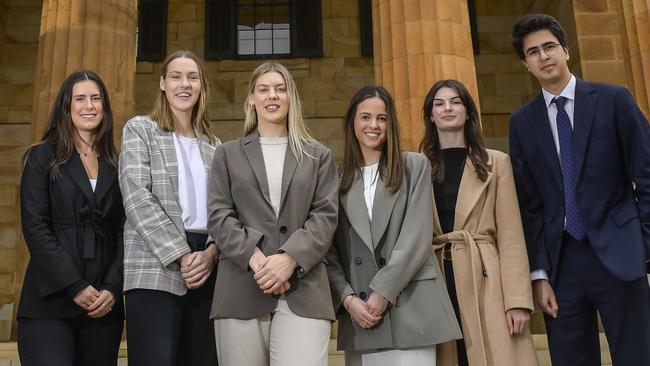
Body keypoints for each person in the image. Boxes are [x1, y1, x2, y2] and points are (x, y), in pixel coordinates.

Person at [509, 14, 650, 366]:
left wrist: (643, 244)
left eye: (549, 47)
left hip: (621, 255)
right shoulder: (522, 122)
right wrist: (538, 274)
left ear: (566, 50)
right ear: (526, 64)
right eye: (533, 52)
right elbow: (529, 205)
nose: (543, 56)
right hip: (561, 267)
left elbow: (646, 175)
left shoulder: (614, 100)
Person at [207, 62, 338, 366]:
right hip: (240, 287)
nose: (272, 96)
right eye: (263, 89)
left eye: (280, 89)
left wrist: (289, 259)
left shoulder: (318, 155)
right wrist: (257, 261)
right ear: (251, 98)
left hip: (304, 290)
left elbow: (325, 217)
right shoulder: (227, 154)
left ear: (291, 97)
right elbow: (219, 215)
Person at [326, 85, 461, 366]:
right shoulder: (336, 181)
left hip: (410, 305)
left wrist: (383, 293)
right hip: (361, 315)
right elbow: (329, 252)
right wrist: (349, 300)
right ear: (352, 122)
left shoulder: (415, 166)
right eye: (365, 117)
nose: (373, 125)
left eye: (382, 118)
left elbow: (416, 236)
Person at [421, 79, 538, 366]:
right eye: (439, 103)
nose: (447, 108)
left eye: (455, 101)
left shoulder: (496, 163)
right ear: (430, 115)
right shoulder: (417, 167)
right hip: (436, 277)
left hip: (486, 278)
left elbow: (511, 237)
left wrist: (518, 301)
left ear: (469, 112)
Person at [119, 50, 220, 366]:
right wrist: (181, 254)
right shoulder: (140, 129)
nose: (184, 84)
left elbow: (224, 209)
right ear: (163, 83)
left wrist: (212, 252)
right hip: (155, 264)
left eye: (193, 77)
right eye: (176, 76)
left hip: (206, 266)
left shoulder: (214, 146)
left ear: (201, 86)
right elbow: (137, 197)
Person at [17, 70, 124, 366]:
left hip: (104, 306)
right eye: (80, 98)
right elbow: (36, 227)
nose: (89, 106)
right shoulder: (41, 157)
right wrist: (74, 285)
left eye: (96, 98)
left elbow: (126, 232)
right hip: (50, 301)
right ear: (66, 106)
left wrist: (113, 288)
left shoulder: (117, 164)